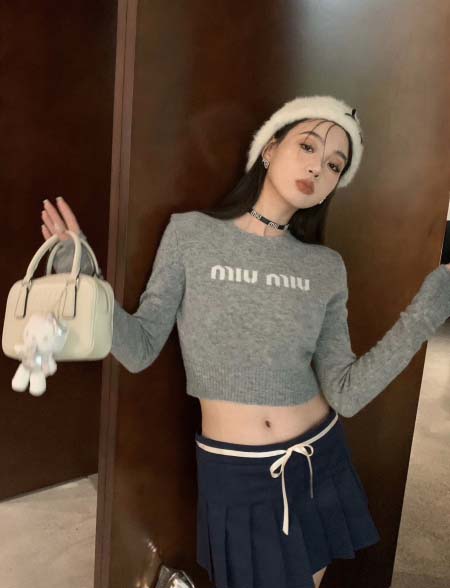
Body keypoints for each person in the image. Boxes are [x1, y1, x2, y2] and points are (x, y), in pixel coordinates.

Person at [40, 95, 450, 588]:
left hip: (318, 459)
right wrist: (81, 281)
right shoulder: (191, 234)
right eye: (308, 146)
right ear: (270, 148)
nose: (317, 168)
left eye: (334, 165)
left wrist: (425, 314)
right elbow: (141, 346)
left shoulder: (325, 267)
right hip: (236, 471)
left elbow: (346, 392)